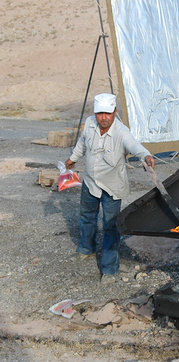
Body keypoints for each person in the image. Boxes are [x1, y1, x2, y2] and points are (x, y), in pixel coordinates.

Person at [65, 93, 155, 284]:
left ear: (114, 112)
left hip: (112, 187)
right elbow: (82, 143)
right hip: (90, 183)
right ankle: (86, 248)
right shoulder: (90, 124)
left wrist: (146, 156)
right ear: (95, 113)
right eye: (99, 113)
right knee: (87, 217)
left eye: (107, 113)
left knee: (110, 227)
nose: (103, 117)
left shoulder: (121, 132)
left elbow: (134, 146)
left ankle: (109, 269)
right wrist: (73, 158)